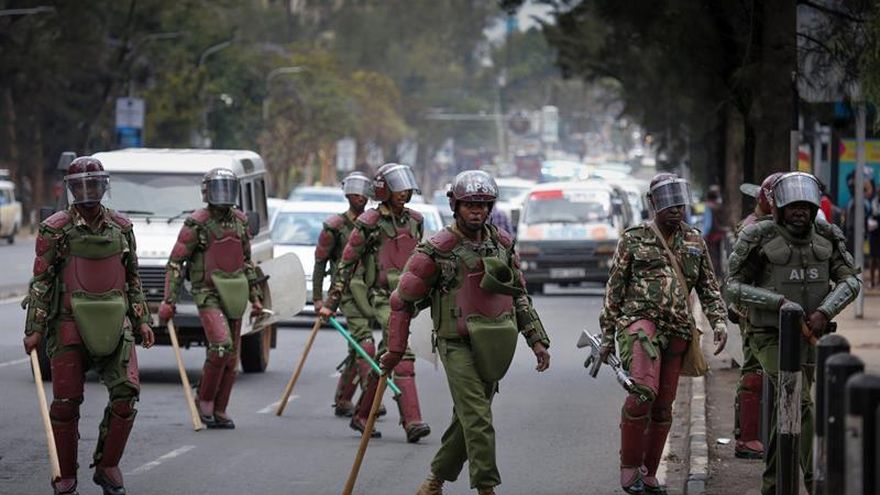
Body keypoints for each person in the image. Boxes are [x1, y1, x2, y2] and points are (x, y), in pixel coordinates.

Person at [381, 170, 550, 495]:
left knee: (467, 418)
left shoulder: (502, 244)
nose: (477, 211)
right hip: (455, 343)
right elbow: (401, 300)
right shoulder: (436, 250)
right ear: (455, 206)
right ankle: (486, 487)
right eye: (470, 204)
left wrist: (537, 340)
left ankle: (434, 481)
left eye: (483, 205)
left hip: (494, 343)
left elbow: (519, 296)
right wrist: (395, 350)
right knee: (478, 416)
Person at [22, 156, 155, 495]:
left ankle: (108, 466)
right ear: (71, 189)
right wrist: (34, 329)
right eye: (81, 186)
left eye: (94, 185)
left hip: (116, 321)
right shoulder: (55, 228)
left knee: (126, 395)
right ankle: (65, 475)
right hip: (69, 324)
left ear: (103, 186)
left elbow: (133, 278)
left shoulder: (122, 227)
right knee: (66, 402)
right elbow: (41, 282)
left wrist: (142, 320)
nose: (88, 192)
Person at [725, 172, 860, 494]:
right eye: (792, 205)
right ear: (779, 207)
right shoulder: (757, 236)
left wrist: (824, 311)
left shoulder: (828, 235)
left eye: (805, 205)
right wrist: (779, 303)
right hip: (768, 335)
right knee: (797, 400)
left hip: (810, 335)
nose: (799, 211)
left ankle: (773, 486)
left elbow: (851, 280)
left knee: (785, 413)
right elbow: (732, 287)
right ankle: (818, 483)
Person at [599, 172, 728, 495]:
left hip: (679, 328)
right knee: (643, 391)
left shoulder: (695, 240)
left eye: (680, 201)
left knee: (663, 405)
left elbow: (709, 287)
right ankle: (630, 468)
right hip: (640, 323)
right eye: (668, 202)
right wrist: (606, 336)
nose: (676, 208)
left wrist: (719, 322)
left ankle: (649, 472)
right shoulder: (633, 239)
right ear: (653, 203)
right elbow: (614, 290)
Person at [319, 163, 431, 441]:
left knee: (386, 357)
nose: (403, 192)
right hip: (382, 298)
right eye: (397, 187)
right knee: (402, 354)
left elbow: (421, 260)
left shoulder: (415, 220)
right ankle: (412, 421)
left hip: (408, 297)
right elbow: (346, 264)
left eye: (406, 187)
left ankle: (361, 414)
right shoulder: (368, 223)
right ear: (384, 190)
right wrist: (330, 301)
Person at [158, 168, 264, 429]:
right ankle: (204, 398)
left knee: (232, 356)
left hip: (236, 292)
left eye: (228, 187)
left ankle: (220, 408)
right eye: (218, 188)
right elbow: (175, 263)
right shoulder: (196, 224)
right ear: (206, 192)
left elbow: (247, 262)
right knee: (220, 346)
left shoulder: (240, 221)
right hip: (207, 293)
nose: (223, 194)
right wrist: (169, 301)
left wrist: (256, 297)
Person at [312, 171, 375, 417]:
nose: (360, 197)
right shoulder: (335, 227)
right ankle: (370, 400)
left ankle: (343, 398)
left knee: (357, 348)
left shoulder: (373, 223)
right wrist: (319, 299)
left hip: (369, 291)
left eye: (364, 193)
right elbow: (320, 263)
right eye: (356, 193)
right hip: (344, 291)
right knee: (365, 342)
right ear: (348, 195)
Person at [729, 172, 781, 460]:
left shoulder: (774, 226)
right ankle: (748, 438)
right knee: (754, 372)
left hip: (774, 310)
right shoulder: (753, 229)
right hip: (755, 311)